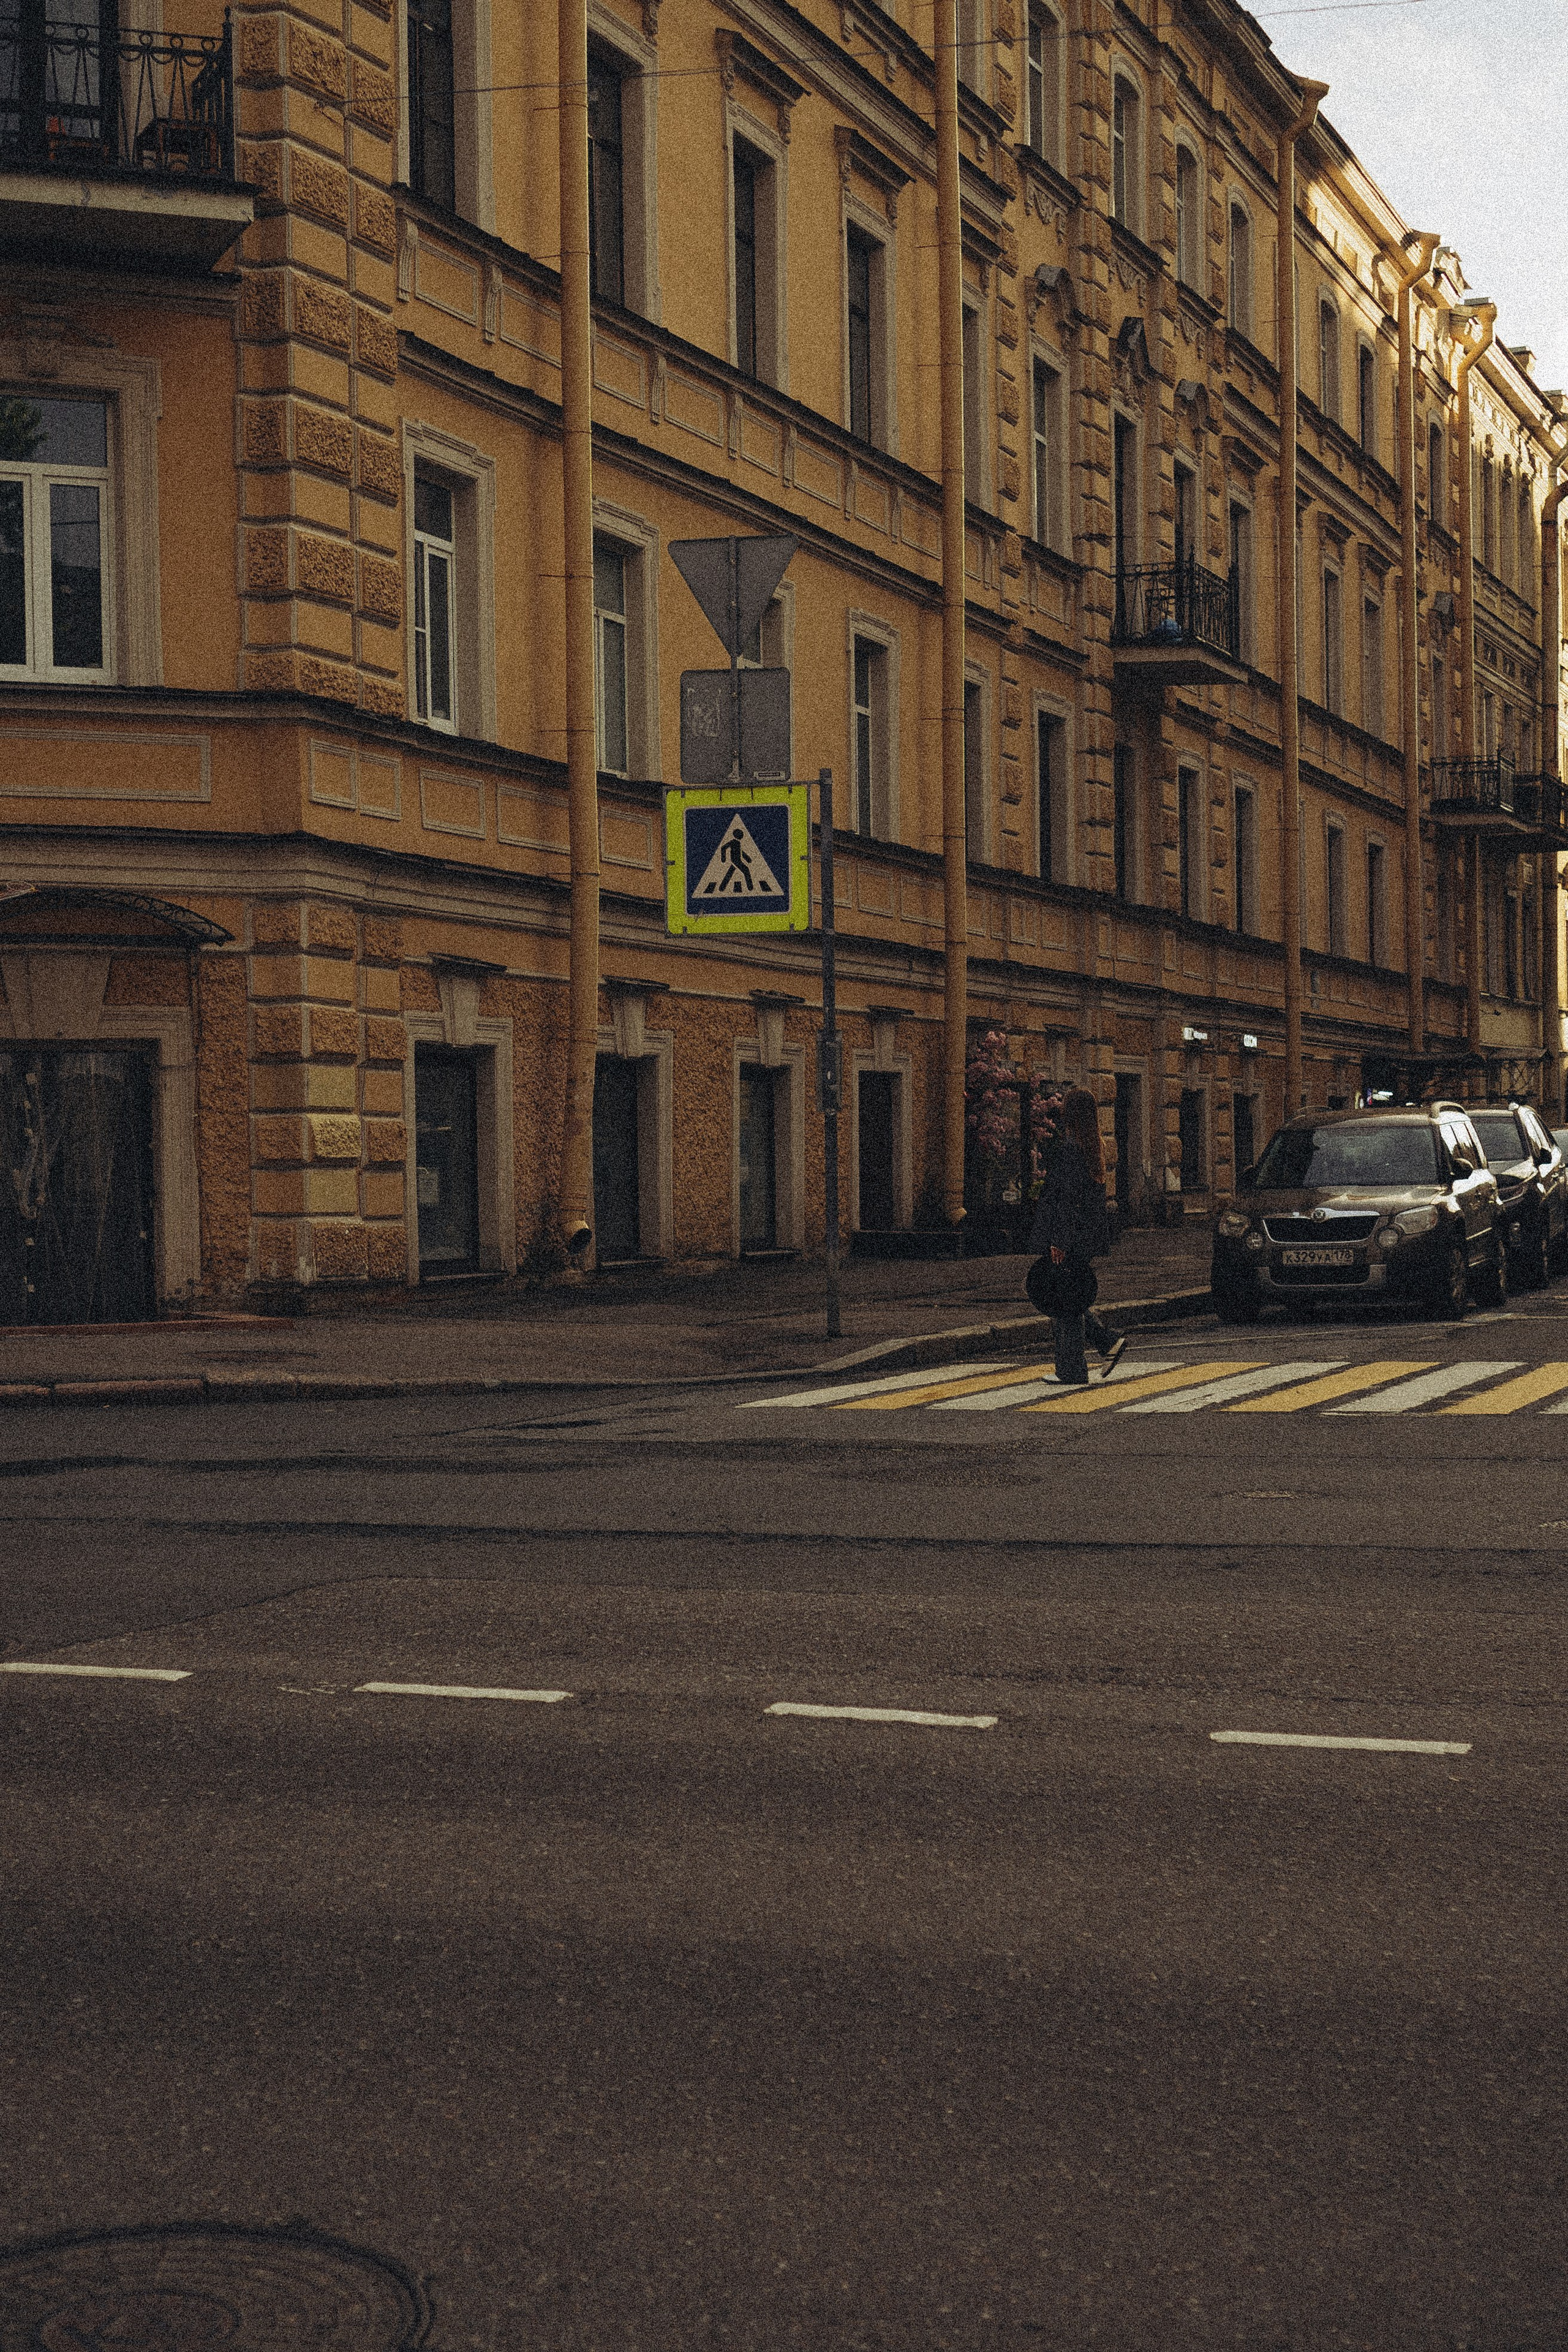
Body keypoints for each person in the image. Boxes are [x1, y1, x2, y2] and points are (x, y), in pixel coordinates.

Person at [1027, 1087, 1127, 1385]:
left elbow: (1067, 1199)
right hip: (1085, 1235)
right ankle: (1107, 1341)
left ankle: (1071, 1370)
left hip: (1070, 1236)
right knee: (1070, 1295)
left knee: (1063, 1301)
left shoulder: (1071, 1148)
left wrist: (1059, 1240)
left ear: (1070, 1114)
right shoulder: (1092, 1146)